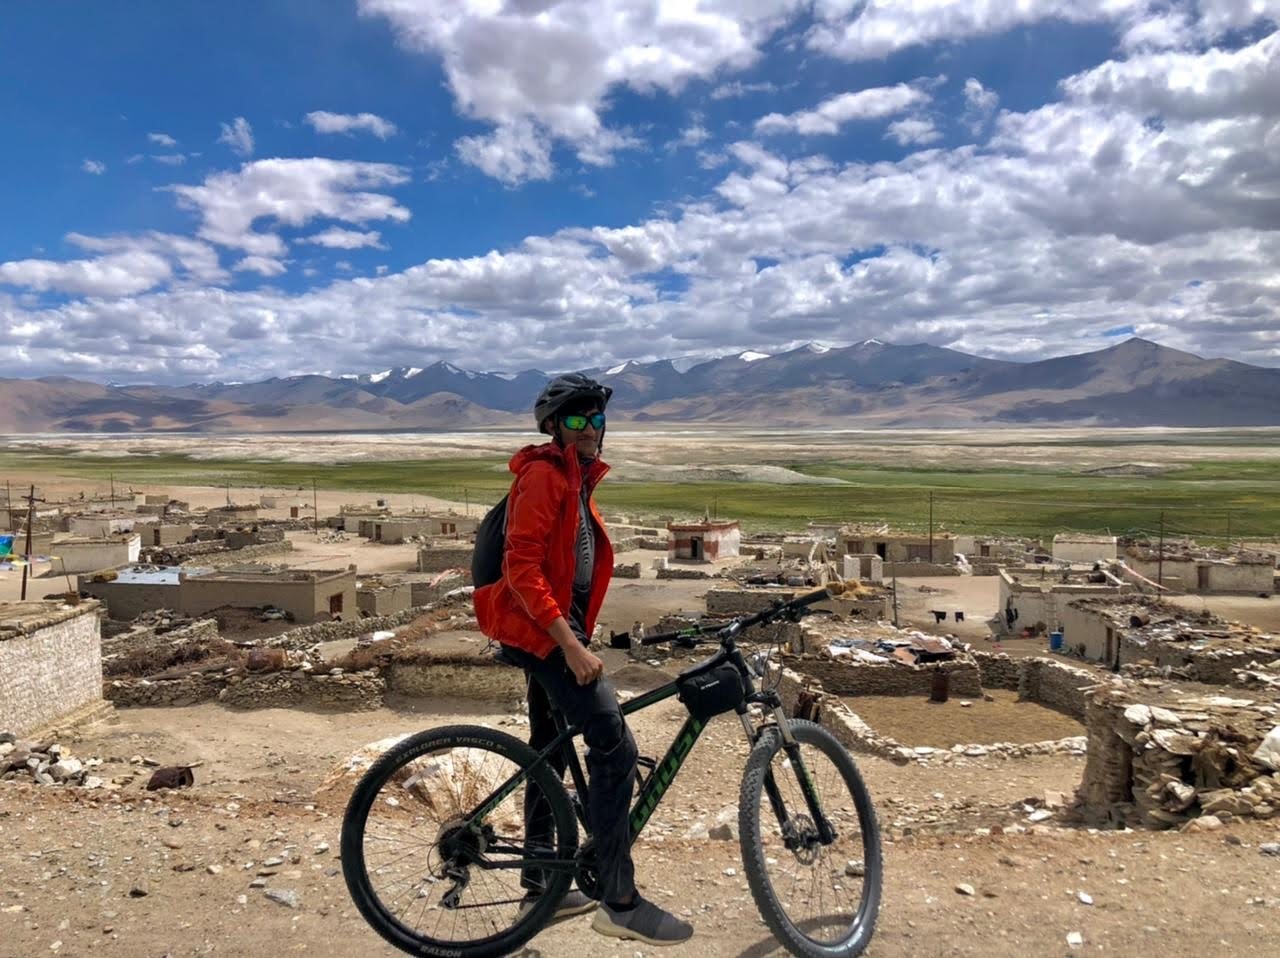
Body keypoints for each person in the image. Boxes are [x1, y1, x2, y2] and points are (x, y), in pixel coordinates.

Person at [473, 373, 694, 947]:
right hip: (540, 630)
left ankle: (538, 885)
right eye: (578, 419)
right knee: (615, 747)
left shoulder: (575, 480)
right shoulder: (545, 477)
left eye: (597, 418)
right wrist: (570, 646)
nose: (591, 428)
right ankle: (619, 901)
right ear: (553, 426)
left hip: (546, 626)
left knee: (547, 748)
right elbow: (522, 567)